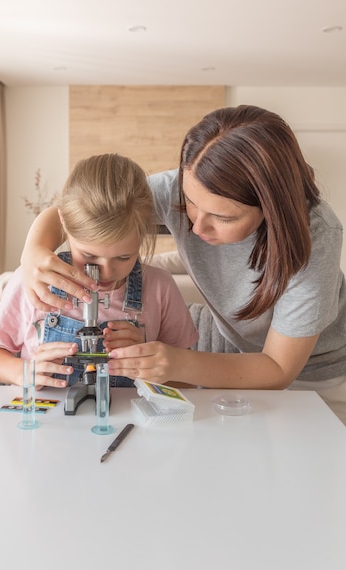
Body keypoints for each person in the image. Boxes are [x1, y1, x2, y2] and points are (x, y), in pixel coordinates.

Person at [19, 105, 346, 423]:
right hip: (239, 367)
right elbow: (86, 208)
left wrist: (175, 364)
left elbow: (277, 370)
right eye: (189, 202)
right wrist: (33, 249)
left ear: (271, 206)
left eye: (222, 217)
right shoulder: (177, 188)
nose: (196, 228)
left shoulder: (316, 236)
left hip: (319, 380)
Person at [0, 153, 198, 389]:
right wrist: (22, 372)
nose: (106, 272)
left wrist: (147, 362)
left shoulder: (160, 288)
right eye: (89, 257)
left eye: (123, 257)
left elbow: (186, 380)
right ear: (64, 225)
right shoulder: (33, 281)